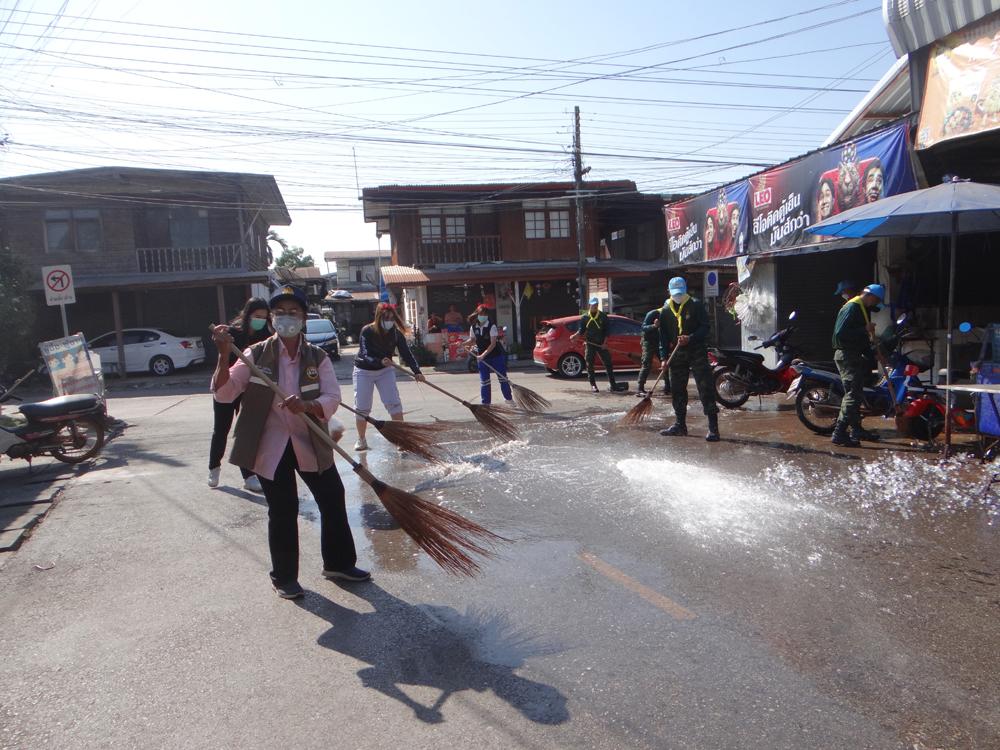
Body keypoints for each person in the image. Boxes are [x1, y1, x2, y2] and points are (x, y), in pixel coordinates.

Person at [211, 285, 368, 600]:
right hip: (270, 444)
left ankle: (338, 564)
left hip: (310, 438)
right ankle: (284, 578)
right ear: (271, 319)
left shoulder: (317, 357)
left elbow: (332, 397)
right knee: (283, 509)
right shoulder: (254, 355)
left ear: (303, 318)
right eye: (280, 312)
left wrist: (308, 406)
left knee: (332, 497)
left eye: (293, 312)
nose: (286, 318)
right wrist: (224, 354)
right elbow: (223, 394)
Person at [208, 297, 271, 492]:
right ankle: (214, 468)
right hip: (227, 387)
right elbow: (220, 345)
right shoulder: (233, 334)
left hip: (248, 389)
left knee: (245, 432)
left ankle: (249, 475)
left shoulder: (265, 337)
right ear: (247, 315)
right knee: (221, 429)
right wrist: (220, 337)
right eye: (257, 316)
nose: (260, 320)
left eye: (264, 317)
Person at [352, 303, 426, 452]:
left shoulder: (396, 333)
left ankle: (401, 439)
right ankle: (361, 439)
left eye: (392, 319)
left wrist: (417, 371)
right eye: (386, 318)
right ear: (378, 317)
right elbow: (365, 354)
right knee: (362, 406)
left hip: (385, 371)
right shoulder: (367, 331)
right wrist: (379, 361)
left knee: (394, 403)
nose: (389, 322)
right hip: (364, 370)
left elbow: (406, 353)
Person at [658, 277, 720, 442]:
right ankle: (680, 425)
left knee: (705, 387)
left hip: (696, 351)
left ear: (685, 290)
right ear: (669, 292)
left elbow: (705, 327)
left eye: (680, 293)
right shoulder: (665, 311)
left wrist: (691, 337)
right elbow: (663, 336)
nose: (678, 296)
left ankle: (713, 428)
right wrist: (663, 357)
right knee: (677, 389)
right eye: (675, 293)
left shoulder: (696, 305)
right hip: (677, 354)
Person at [831, 283, 885, 447]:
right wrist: (864, 329)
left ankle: (856, 430)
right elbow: (840, 333)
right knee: (853, 395)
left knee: (857, 394)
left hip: (854, 355)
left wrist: (873, 354)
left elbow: (861, 340)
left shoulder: (862, 309)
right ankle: (839, 433)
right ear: (870, 296)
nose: (875, 305)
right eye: (876, 301)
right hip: (847, 355)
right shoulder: (852, 307)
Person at [461, 304, 513, 405]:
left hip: (496, 356)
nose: (483, 316)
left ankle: (509, 399)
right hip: (482, 358)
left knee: (502, 378)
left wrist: (483, 355)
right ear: (477, 314)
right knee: (484, 381)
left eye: (485, 315)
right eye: (481, 314)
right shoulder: (473, 327)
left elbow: (493, 344)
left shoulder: (491, 326)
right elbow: (472, 340)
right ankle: (486, 404)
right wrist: (462, 344)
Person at [570, 297, 622, 393]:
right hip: (590, 343)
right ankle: (593, 385)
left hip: (601, 343)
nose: (594, 306)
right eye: (593, 305)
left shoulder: (603, 316)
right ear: (589, 305)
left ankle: (613, 384)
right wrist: (575, 336)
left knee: (608, 363)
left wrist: (604, 343)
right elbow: (581, 330)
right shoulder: (585, 317)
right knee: (590, 364)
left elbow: (607, 331)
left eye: (596, 305)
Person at [637, 307, 668, 396]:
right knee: (646, 363)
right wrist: (654, 326)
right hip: (648, 341)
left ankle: (668, 386)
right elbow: (643, 328)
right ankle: (640, 388)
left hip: (660, 341)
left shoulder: (669, 315)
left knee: (665, 362)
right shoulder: (653, 313)